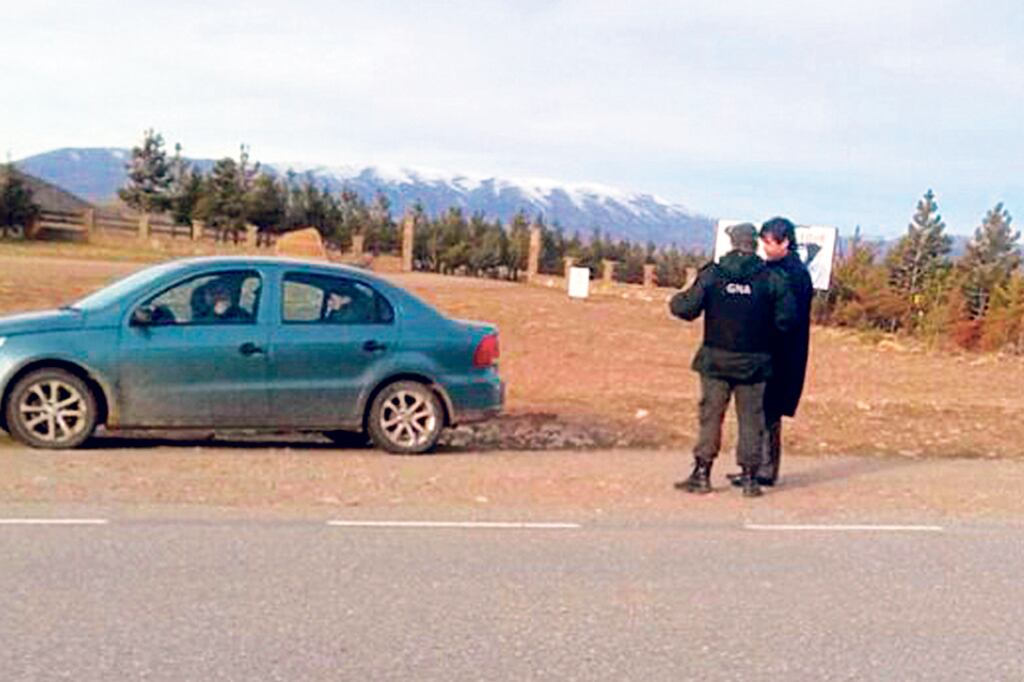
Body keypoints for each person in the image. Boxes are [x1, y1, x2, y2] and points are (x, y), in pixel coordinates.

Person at [669, 223, 796, 497]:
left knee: (711, 417)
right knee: (751, 419)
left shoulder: (713, 274)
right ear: (755, 244)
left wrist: (679, 297)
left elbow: (685, 308)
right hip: (755, 362)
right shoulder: (772, 278)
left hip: (715, 359)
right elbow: (787, 319)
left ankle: (701, 474)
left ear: (732, 243)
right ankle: (750, 479)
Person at [728, 217, 814, 487]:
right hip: (771, 349)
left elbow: (785, 317)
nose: (763, 247)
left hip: (780, 352)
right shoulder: (777, 268)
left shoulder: (792, 274)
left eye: (768, 242)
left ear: (785, 242)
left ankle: (762, 469)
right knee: (761, 410)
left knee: (768, 410)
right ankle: (755, 466)